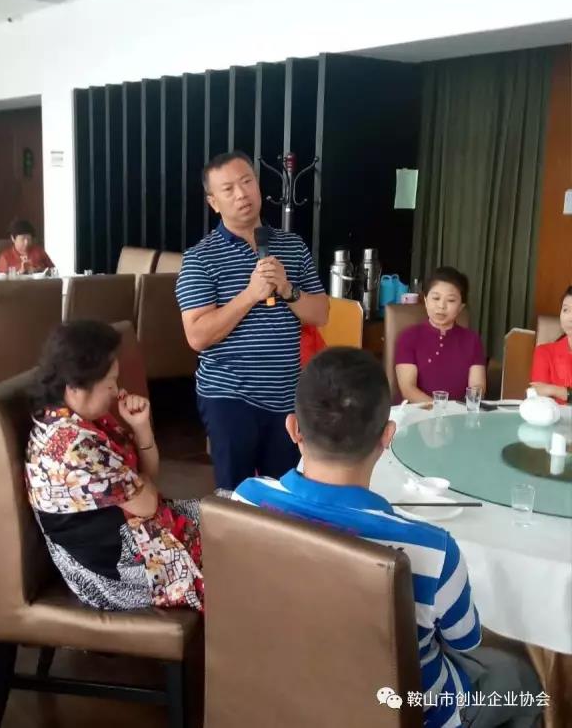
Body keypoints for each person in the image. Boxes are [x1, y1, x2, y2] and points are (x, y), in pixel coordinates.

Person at [233, 348, 543, 728]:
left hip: (278, 696)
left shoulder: (245, 501)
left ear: (294, 428)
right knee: (524, 680)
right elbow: (464, 640)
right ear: (388, 435)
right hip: (409, 712)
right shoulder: (432, 550)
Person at [176, 150, 329, 490]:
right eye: (228, 189)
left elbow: (321, 314)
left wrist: (287, 289)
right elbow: (197, 336)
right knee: (237, 497)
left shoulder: (293, 246)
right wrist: (249, 294)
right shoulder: (200, 258)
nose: (241, 194)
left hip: (286, 395)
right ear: (213, 202)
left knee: (284, 493)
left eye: (247, 182)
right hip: (229, 395)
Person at [25, 320, 203, 611]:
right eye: (109, 383)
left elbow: (147, 480)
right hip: (113, 572)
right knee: (235, 541)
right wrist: (140, 484)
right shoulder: (74, 444)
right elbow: (146, 503)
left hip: (129, 536)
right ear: (76, 387)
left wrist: (141, 427)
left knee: (229, 513)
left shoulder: (73, 419)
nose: (116, 390)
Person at [395, 266, 486, 403]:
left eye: (451, 300)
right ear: (426, 300)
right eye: (436, 298)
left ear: (461, 307)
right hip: (419, 412)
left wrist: (466, 408)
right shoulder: (409, 337)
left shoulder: (472, 340)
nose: (441, 306)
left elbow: (478, 386)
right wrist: (439, 410)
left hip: (460, 413)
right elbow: (408, 389)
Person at [530, 285, 572, 405]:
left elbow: (547, 391)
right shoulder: (544, 352)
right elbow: (540, 399)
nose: (570, 317)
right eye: (566, 310)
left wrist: (556, 390)